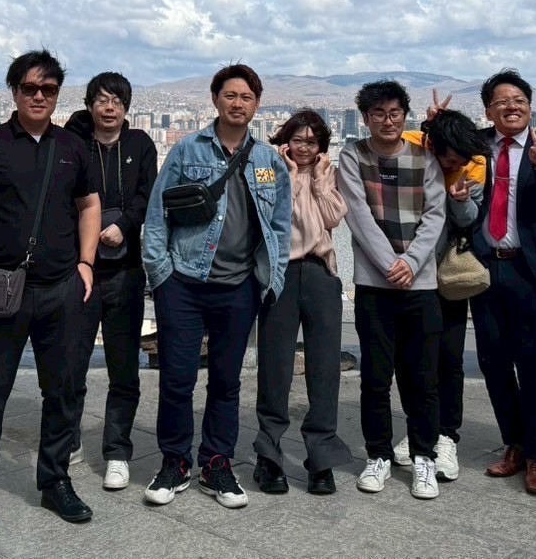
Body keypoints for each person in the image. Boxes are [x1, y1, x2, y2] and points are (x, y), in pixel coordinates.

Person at [0, 50, 100, 538]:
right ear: (14, 92)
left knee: (62, 391)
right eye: (30, 88)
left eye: (48, 89)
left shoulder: (72, 147)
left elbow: (90, 206)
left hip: (60, 287)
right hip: (2, 287)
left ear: (57, 95)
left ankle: (55, 481)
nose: (39, 96)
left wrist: (86, 263)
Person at [142, 64, 292, 512]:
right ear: (215, 100)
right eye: (230, 95)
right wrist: (161, 274)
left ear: (257, 104)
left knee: (226, 381)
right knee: (177, 378)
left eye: (246, 97)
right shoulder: (187, 149)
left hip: (239, 286)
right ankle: (174, 461)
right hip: (183, 283)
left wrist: (272, 279)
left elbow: (280, 225)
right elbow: (157, 214)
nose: (238, 103)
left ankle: (216, 463)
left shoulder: (267, 162)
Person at [337, 81, 445, 500]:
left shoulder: (424, 158)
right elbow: (358, 215)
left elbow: (435, 216)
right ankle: (378, 454)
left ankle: (424, 457)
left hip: (420, 284)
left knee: (423, 378)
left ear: (405, 115)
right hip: (374, 285)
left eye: (395, 112)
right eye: (379, 113)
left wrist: (411, 262)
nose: (387, 120)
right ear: (366, 118)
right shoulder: (353, 156)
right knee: (375, 377)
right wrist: (391, 265)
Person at [470, 69, 536, 495]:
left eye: (519, 101)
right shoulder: (475, 146)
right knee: (493, 363)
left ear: (530, 108)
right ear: (488, 111)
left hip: (528, 271)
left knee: (534, 366)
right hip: (483, 268)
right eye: (501, 102)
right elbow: (437, 153)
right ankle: (514, 444)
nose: (511, 107)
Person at [64, 71, 157, 491]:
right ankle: (68, 439)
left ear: (127, 108)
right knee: (72, 364)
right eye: (101, 100)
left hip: (126, 271)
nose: (109, 107)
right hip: (80, 269)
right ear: (89, 106)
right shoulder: (75, 145)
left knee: (124, 368)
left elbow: (147, 195)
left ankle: (117, 451)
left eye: (117, 101)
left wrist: (126, 226)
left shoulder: (140, 145)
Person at [253, 109, 350, 496]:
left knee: (325, 368)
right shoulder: (268, 170)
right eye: (298, 140)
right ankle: (268, 456)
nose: (305, 148)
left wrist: (319, 181)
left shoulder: (328, 174)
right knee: (274, 366)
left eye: (312, 142)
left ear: (322, 145)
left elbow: (333, 217)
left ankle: (321, 458)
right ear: (285, 142)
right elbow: (270, 214)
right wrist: (291, 175)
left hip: (320, 272)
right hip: (280, 273)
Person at [402, 105, 492, 485]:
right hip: (410, 273)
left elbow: (469, 220)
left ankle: (446, 435)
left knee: (450, 358)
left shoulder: (474, 166)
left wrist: (459, 199)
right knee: (413, 358)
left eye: (460, 159)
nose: (455, 163)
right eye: (449, 157)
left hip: (446, 276)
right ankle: (420, 429)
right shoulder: (412, 149)